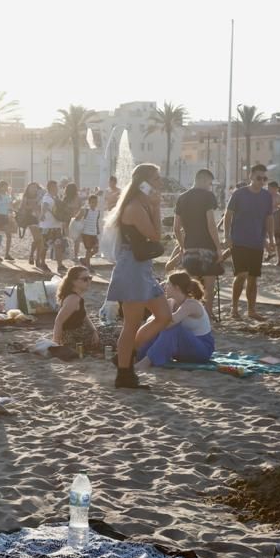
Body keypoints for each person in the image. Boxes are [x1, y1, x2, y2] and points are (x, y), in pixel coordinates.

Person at [104, 163, 172, 389]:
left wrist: (153, 205)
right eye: (156, 179)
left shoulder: (139, 205)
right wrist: (155, 207)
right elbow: (155, 236)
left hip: (141, 269)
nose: (159, 183)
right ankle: (124, 374)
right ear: (143, 183)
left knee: (164, 316)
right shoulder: (134, 207)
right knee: (132, 324)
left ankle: (124, 355)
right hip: (132, 269)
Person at [224, 164, 274, 320]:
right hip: (239, 241)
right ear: (251, 177)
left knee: (253, 278)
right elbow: (228, 215)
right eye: (259, 178)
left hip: (257, 242)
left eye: (264, 178)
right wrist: (227, 236)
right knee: (241, 275)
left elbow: (269, 218)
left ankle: (251, 310)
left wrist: (270, 239)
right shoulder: (239, 194)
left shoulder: (267, 196)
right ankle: (234, 308)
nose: (262, 181)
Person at [136, 272, 215, 369]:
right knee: (158, 329)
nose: (165, 286)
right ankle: (139, 354)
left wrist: (158, 319)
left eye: (168, 284)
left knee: (173, 328)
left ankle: (147, 362)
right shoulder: (170, 303)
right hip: (182, 350)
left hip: (202, 350)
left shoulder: (191, 304)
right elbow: (151, 321)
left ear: (176, 287)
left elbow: (169, 323)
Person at [174, 169, 223, 315]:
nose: (210, 186)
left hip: (190, 247)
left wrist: (183, 247)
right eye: (209, 183)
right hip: (207, 246)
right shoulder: (208, 196)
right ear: (202, 180)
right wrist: (218, 247)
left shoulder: (182, 198)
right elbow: (211, 224)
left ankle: (191, 314)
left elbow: (176, 228)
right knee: (209, 286)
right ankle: (207, 316)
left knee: (191, 286)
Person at [53, 265, 100, 350]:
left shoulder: (77, 297)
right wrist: (56, 345)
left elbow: (84, 316)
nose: (89, 281)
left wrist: (94, 330)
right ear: (73, 281)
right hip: (75, 338)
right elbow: (58, 321)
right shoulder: (73, 299)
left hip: (80, 333)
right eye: (85, 279)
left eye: (90, 278)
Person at [37, 180, 67, 274]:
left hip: (56, 226)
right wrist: (42, 214)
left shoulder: (55, 197)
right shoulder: (47, 197)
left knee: (58, 246)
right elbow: (45, 205)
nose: (56, 188)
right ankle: (42, 262)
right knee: (45, 246)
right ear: (50, 188)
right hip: (47, 227)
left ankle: (60, 265)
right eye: (55, 187)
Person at [17, 182, 43, 264]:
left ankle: (35, 257)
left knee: (40, 240)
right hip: (30, 219)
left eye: (35, 188)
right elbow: (22, 207)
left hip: (40, 218)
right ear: (28, 189)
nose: (33, 189)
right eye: (32, 188)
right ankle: (35, 258)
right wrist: (32, 206)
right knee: (38, 239)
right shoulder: (26, 196)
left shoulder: (40, 196)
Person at [77, 194, 102, 271]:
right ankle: (88, 266)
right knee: (88, 249)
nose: (94, 204)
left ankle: (85, 260)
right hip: (86, 233)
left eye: (95, 202)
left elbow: (96, 222)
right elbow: (77, 218)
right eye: (92, 202)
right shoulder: (86, 210)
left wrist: (98, 230)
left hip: (94, 233)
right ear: (89, 202)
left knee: (96, 249)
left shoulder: (98, 212)